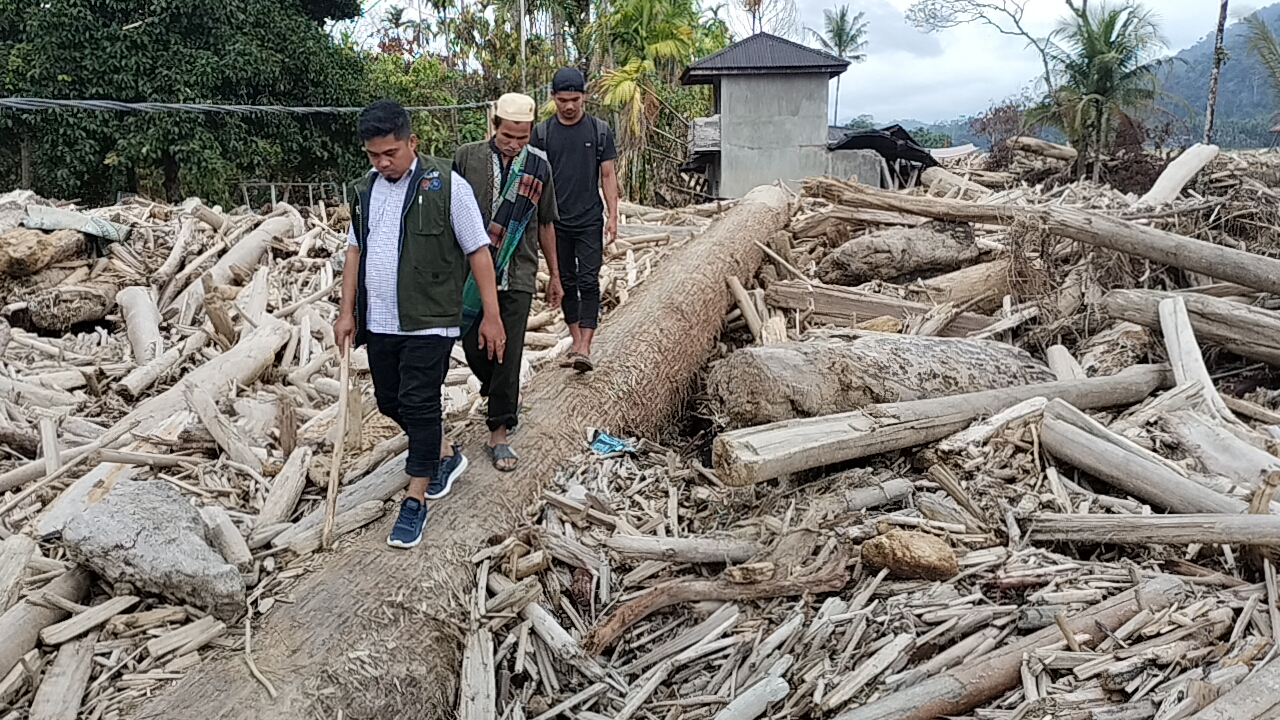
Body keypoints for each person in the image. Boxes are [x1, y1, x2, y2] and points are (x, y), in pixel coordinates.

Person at [334, 99, 505, 550]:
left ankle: (415, 498)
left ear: (412, 141)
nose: (382, 162)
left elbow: (478, 250)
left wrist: (491, 314)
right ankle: (444, 454)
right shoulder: (365, 191)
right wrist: (346, 312)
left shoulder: (447, 185)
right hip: (382, 320)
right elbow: (355, 252)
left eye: (390, 152)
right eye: (373, 155)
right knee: (391, 401)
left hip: (430, 318)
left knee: (419, 401)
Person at [445, 93, 562, 472]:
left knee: (507, 352)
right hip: (470, 273)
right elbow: (449, 212)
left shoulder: (539, 167)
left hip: (519, 271)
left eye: (522, 137)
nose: (514, 144)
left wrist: (555, 275)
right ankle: (498, 395)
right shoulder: (466, 157)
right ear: (495, 125)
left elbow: (545, 223)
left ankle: (499, 430)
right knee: (473, 345)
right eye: (508, 135)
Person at [532, 67, 619, 373]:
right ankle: (575, 341)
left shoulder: (599, 131)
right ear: (553, 97)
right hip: (555, 222)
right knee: (565, 281)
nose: (569, 106)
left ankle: (585, 345)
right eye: (563, 100)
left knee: (588, 279)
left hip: (589, 218)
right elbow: (533, 180)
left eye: (575, 100)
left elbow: (607, 175)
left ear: (584, 96)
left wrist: (613, 215)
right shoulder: (541, 134)